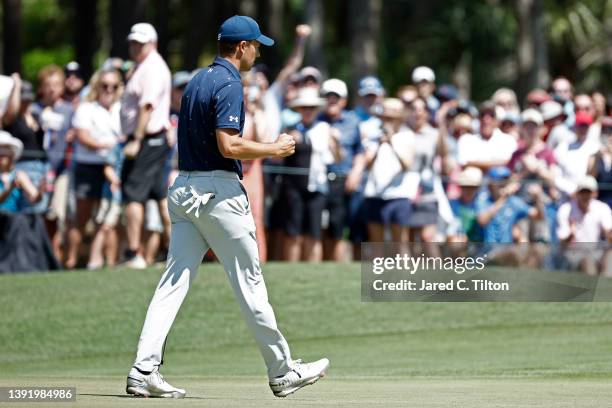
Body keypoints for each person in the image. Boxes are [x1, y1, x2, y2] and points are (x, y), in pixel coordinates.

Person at [126, 15, 329, 399]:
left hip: (184, 187)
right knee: (250, 283)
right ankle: (283, 371)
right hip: (217, 191)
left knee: (172, 283)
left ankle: (144, 368)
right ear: (241, 47)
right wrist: (274, 148)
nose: (257, 51)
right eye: (255, 45)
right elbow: (229, 146)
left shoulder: (199, 80)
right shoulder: (231, 82)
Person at [119, 23, 172, 268]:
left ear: (153, 43)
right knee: (159, 195)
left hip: (146, 140)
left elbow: (146, 106)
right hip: (153, 139)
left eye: (141, 43)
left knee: (133, 195)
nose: (135, 47)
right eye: (133, 42)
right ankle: (174, 251)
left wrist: (136, 140)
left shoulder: (151, 68)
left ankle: (133, 252)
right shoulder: (146, 66)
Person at [64, 69, 122, 269]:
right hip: (88, 167)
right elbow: (83, 136)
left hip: (113, 169)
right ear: (97, 87)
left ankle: (110, 262)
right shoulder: (86, 108)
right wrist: (109, 145)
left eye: (113, 86)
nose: (108, 90)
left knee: (109, 219)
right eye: (104, 85)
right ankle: (71, 260)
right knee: (81, 217)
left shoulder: (122, 109)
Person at [281, 87, 342, 262]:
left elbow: (336, 159)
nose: (308, 111)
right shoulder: (290, 129)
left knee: (314, 232)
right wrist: (288, 142)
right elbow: (277, 157)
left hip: (317, 186)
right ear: (299, 109)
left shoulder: (325, 129)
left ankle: (312, 270)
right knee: (293, 232)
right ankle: (291, 269)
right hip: (293, 187)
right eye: (304, 107)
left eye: (311, 108)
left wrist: (335, 143)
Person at [318, 78, 365, 261]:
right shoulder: (316, 118)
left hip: (343, 180)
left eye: (335, 97)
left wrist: (356, 172)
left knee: (340, 227)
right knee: (321, 228)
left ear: (344, 100)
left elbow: (360, 151)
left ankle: (337, 267)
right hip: (319, 181)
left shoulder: (352, 121)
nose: (331, 101)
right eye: (328, 96)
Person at [362, 98, 415, 243]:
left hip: (399, 194)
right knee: (376, 243)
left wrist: (392, 142)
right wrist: (379, 144)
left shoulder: (407, 136)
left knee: (400, 243)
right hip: (375, 194)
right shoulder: (372, 134)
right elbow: (367, 164)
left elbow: (407, 165)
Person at [557, 176, 612, 275]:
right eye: (583, 192)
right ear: (577, 193)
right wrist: (571, 234)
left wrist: (609, 234)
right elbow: (563, 242)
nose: (585, 196)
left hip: (596, 252)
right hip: (573, 254)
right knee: (587, 261)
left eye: (588, 192)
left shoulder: (602, 208)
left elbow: (608, 233)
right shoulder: (565, 209)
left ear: (595, 194)